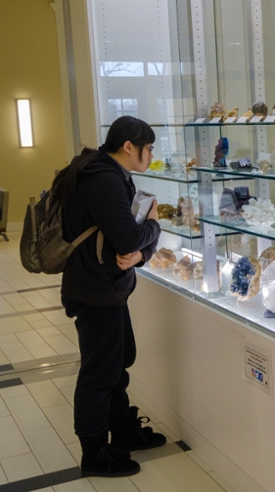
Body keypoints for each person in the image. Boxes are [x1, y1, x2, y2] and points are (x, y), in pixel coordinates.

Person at [54, 116, 165, 477]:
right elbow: (130, 239)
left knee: (116, 366)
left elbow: (131, 248)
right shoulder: (103, 180)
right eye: (148, 148)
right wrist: (154, 224)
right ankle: (94, 452)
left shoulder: (99, 169)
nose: (151, 155)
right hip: (95, 290)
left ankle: (124, 432)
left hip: (103, 287)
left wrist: (142, 251)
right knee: (99, 374)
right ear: (129, 146)